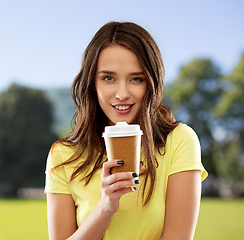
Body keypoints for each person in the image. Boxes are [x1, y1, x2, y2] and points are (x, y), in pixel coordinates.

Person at [45, 21, 208, 240]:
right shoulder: (63, 155)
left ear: (151, 83)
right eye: (108, 78)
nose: (122, 94)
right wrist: (105, 208)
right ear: (93, 83)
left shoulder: (179, 141)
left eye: (136, 79)